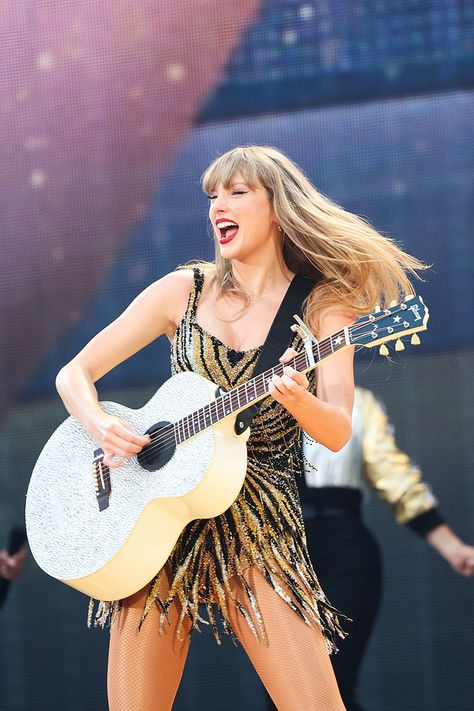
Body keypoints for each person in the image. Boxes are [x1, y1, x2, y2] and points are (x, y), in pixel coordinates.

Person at [55, 145, 424, 711]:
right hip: (156, 519)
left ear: (276, 208)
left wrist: (298, 400)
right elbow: (75, 373)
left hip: (257, 523)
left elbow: (336, 430)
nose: (217, 207)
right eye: (212, 196)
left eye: (236, 192)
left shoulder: (323, 305)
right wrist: (101, 425)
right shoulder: (184, 290)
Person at [280, 385, 474, 711]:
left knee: (333, 683)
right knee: (285, 692)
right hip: (277, 554)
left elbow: (395, 477)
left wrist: (452, 547)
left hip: (344, 550)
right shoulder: (249, 394)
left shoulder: (358, 401)